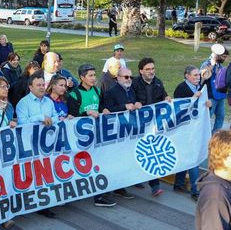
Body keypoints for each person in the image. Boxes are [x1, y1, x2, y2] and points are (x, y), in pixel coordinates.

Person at [66, 64, 116, 207]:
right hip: (80, 137)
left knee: (98, 163)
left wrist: (104, 109)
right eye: (90, 75)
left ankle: (99, 196)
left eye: (94, 75)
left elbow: (100, 108)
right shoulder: (75, 94)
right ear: (82, 77)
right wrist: (86, 113)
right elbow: (72, 116)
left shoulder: (97, 90)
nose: (94, 78)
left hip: (96, 135)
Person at [15, 71, 60, 218]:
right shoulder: (23, 103)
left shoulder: (48, 101)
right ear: (30, 87)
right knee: (33, 174)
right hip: (30, 145)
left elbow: (55, 116)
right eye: (38, 85)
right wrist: (40, 118)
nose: (42, 87)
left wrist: (52, 119)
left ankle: (45, 203)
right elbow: (22, 123)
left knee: (47, 172)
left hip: (48, 144)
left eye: (43, 84)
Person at [173, 66, 212, 201]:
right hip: (185, 130)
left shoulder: (199, 87)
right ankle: (195, 191)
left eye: (198, 75)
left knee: (186, 157)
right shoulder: (181, 88)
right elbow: (179, 108)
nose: (198, 77)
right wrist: (192, 99)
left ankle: (178, 184)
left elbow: (202, 105)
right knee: (193, 159)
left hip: (195, 129)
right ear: (187, 76)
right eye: (195, 75)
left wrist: (208, 104)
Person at [102, 67, 140, 200]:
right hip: (116, 132)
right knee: (114, 160)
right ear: (118, 78)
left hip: (129, 131)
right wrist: (124, 107)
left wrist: (138, 104)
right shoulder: (111, 92)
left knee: (125, 159)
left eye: (131, 77)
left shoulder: (132, 90)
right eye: (126, 77)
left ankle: (120, 186)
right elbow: (107, 110)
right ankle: (109, 189)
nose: (129, 79)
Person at [201, 44, 229, 132]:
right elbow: (203, 77)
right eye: (224, 57)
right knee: (207, 117)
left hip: (220, 95)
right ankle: (203, 135)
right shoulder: (206, 63)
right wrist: (211, 66)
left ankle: (216, 135)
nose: (225, 59)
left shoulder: (220, 66)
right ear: (218, 55)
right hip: (211, 95)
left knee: (221, 116)